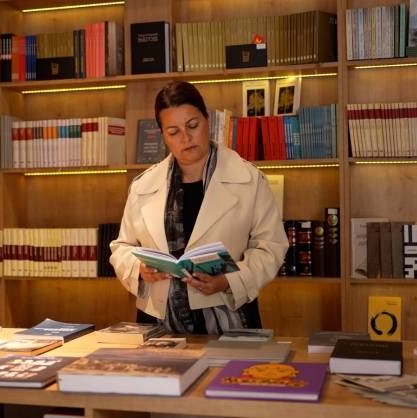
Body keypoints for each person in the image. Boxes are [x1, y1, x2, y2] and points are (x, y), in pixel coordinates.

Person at [109, 81, 287, 335]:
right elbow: (122, 247)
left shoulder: (248, 179)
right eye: (173, 132)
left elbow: (271, 247)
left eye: (192, 126)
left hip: (230, 316)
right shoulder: (144, 185)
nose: (186, 138)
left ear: (207, 121)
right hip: (159, 322)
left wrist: (228, 280)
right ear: (163, 135)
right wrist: (139, 268)